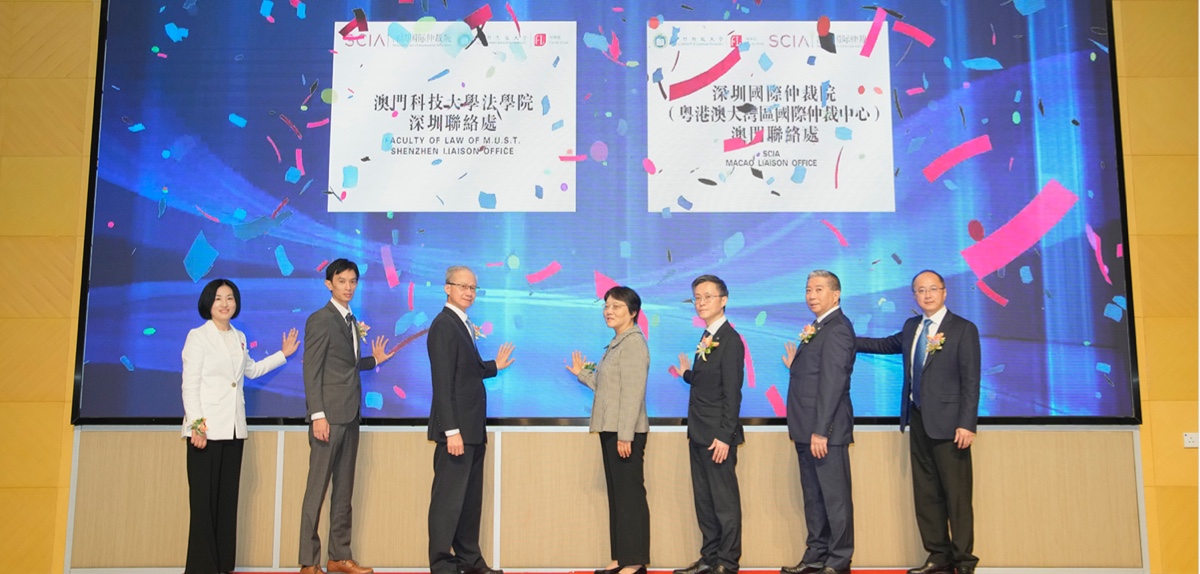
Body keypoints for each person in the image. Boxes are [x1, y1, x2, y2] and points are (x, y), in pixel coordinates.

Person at [855, 270, 980, 574]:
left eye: (932, 289)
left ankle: (964, 561)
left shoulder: (963, 329)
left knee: (957, 496)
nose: (926, 295)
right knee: (926, 493)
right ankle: (938, 555)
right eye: (920, 290)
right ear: (914, 295)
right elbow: (885, 345)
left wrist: (967, 424)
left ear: (944, 292)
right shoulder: (913, 327)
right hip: (918, 420)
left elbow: (971, 381)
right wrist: (845, 337)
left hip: (951, 427)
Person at [181, 278, 299, 574]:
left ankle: (222, 565)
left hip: (233, 429)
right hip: (205, 432)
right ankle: (201, 568)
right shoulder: (198, 336)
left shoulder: (239, 337)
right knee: (204, 505)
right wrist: (196, 425)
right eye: (219, 298)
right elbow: (189, 385)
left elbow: (251, 371)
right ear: (208, 303)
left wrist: (282, 355)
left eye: (230, 298)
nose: (225, 304)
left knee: (226, 501)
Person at [298, 258, 396, 574]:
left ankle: (339, 556)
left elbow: (345, 365)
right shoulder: (321, 319)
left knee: (344, 489)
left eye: (353, 281)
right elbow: (311, 370)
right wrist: (317, 415)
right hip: (328, 416)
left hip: (351, 414)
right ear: (329, 283)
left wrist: (373, 360)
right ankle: (308, 562)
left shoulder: (351, 320)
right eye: (342, 280)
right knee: (317, 490)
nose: (348, 286)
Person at [427, 266, 515, 574]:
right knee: (448, 501)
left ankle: (470, 560)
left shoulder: (462, 323)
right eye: (462, 286)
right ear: (447, 288)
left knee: (468, 502)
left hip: (473, 429)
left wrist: (495, 366)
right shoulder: (443, 325)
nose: (469, 292)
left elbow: (469, 369)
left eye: (473, 288)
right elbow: (442, 382)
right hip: (457, 431)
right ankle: (441, 564)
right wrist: (451, 430)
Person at [566, 286, 651, 574]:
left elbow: (632, 394)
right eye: (606, 306)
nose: (609, 311)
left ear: (633, 312)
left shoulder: (634, 344)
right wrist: (582, 375)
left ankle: (636, 561)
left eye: (616, 306)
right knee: (618, 496)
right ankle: (621, 557)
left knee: (630, 497)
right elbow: (607, 389)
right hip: (611, 429)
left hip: (624, 432)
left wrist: (625, 434)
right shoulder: (616, 343)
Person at [780, 270, 856, 574]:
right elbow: (813, 376)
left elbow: (832, 385)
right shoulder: (818, 326)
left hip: (825, 431)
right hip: (805, 428)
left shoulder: (837, 328)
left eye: (819, 289)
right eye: (808, 289)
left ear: (835, 295)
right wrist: (795, 365)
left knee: (835, 500)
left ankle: (838, 561)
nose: (812, 295)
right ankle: (816, 556)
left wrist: (821, 431)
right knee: (814, 498)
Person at [673, 275, 745, 574]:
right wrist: (688, 375)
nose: (701, 302)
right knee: (705, 502)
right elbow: (709, 382)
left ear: (723, 300)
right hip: (699, 433)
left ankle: (727, 563)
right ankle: (709, 558)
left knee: (724, 505)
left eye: (707, 296)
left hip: (718, 437)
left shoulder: (730, 339)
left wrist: (725, 436)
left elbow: (732, 391)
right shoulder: (706, 337)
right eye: (697, 298)